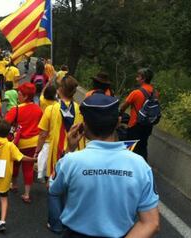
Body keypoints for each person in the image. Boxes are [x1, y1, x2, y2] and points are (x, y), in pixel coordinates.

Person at [48, 93, 160, 237]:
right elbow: (151, 223)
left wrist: (69, 149)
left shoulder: (70, 161)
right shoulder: (140, 165)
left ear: (84, 126)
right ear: (118, 122)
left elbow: (53, 188)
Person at [0, 121, 36, 232]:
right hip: (5, 174)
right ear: (8, 133)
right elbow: (21, 157)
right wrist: (33, 159)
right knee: (4, 197)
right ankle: (2, 222)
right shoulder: (10, 146)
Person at [35, 76, 86, 181]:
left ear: (61, 90)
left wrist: (37, 151)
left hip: (57, 152)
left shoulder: (51, 109)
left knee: (55, 182)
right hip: (77, 150)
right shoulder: (81, 109)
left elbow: (43, 134)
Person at [5, 83, 42, 203]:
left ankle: (14, 185)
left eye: (19, 94)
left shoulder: (15, 110)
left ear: (25, 96)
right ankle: (26, 194)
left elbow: (5, 125)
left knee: (15, 164)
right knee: (28, 167)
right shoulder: (38, 109)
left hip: (18, 143)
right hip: (33, 143)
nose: (18, 96)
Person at [120, 68, 158, 161]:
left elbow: (123, 107)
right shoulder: (155, 93)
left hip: (135, 125)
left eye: (138, 77)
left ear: (143, 79)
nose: (136, 79)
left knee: (130, 149)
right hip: (148, 126)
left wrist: (120, 114)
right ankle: (143, 168)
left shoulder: (136, 93)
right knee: (142, 148)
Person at [37, 85, 57, 180]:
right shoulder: (55, 104)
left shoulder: (42, 100)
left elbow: (41, 93)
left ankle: (41, 169)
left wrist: (46, 85)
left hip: (42, 122)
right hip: (52, 124)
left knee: (41, 142)